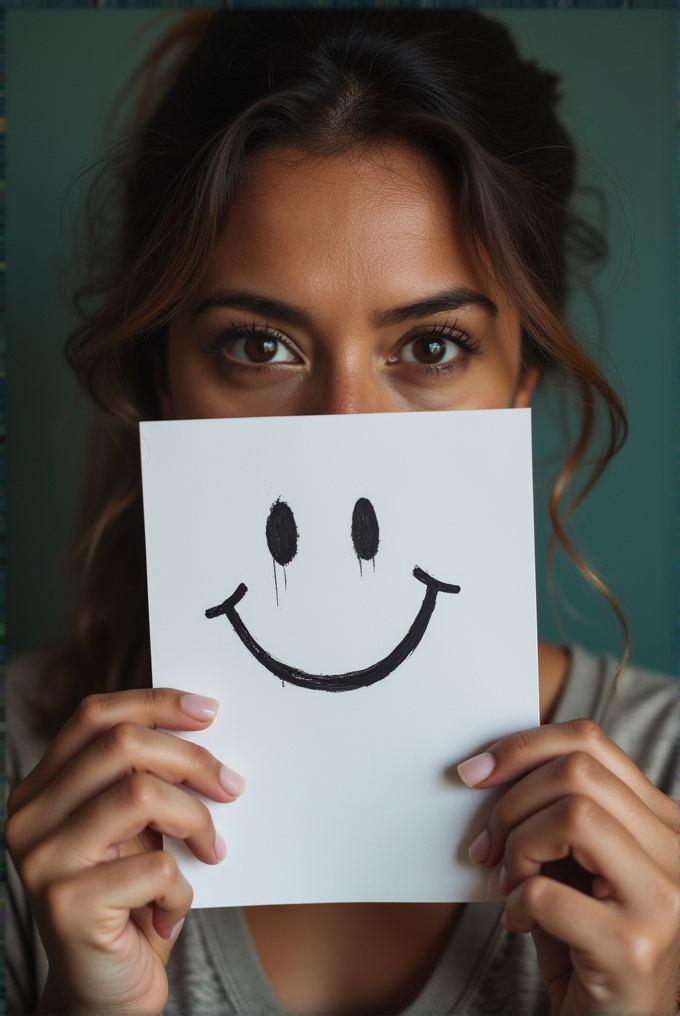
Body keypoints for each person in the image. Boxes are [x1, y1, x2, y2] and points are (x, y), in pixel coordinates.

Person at [7, 9, 679, 1015]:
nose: (342, 431)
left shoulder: (665, 773)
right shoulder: (22, 774)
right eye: (258, 346)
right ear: (163, 383)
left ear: (518, 385)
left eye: (431, 346)